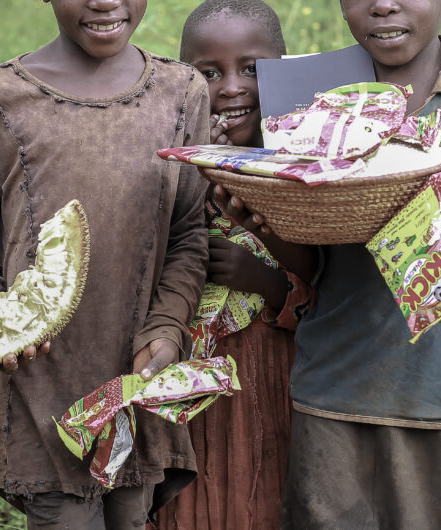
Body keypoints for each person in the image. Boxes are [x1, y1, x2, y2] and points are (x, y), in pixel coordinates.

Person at [217, 0, 441, 528]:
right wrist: (261, 221)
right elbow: (313, 263)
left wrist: (432, 197)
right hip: (332, 390)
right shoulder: (314, 88)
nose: (383, 5)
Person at [0, 0, 212, 527]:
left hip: (135, 376)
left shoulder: (181, 93)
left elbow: (187, 230)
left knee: (130, 515)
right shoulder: (0, 99)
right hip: (42, 381)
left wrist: (167, 327)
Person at [152, 2, 316, 529]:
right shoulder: (169, 161)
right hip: (187, 380)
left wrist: (261, 278)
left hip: (272, 374)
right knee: (192, 500)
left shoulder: (305, 165)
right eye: (208, 72)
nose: (231, 87)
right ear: (181, 78)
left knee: (263, 491)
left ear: (284, 70)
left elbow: (330, 282)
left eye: (252, 68)